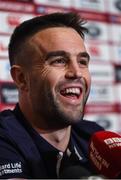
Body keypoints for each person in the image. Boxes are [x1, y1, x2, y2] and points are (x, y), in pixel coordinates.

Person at [0, 12, 104, 179]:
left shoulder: (95, 138)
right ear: (21, 78)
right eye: (59, 60)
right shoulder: (4, 139)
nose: (77, 72)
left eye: (82, 62)